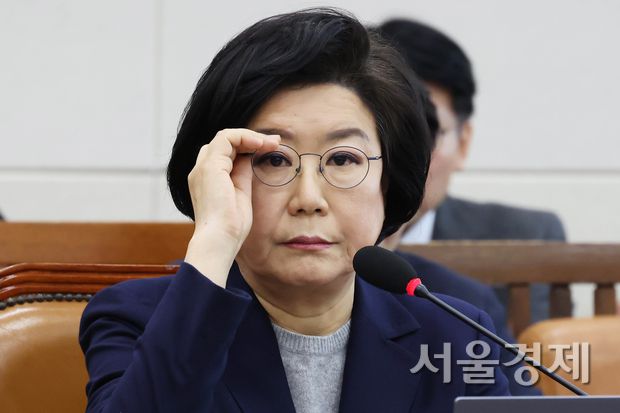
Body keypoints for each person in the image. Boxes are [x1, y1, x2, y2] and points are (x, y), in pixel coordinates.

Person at [79, 9, 509, 412]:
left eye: (343, 159)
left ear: (390, 181)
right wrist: (214, 241)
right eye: (274, 160)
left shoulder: (455, 335)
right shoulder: (137, 318)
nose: (308, 199)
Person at [378, 19, 566, 323]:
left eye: (425, 133)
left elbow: (534, 354)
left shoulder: (526, 236)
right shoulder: (311, 233)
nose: (402, 156)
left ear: (463, 143)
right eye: (387, 133)